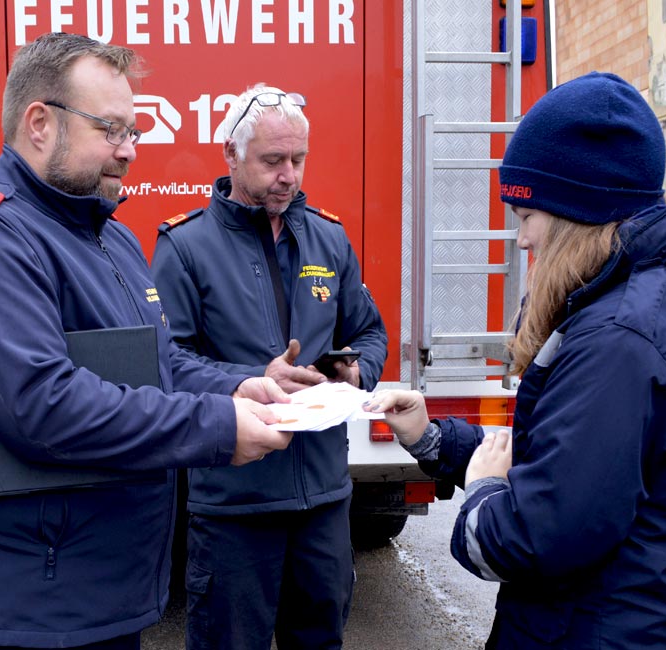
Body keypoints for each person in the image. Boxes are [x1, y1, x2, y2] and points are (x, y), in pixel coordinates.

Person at [0, 34, 294, 650]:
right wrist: (219, 426)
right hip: (28, 612)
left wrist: (239, 384)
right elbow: (44, 407)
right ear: (40, 123)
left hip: (105, 597)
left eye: (134, 132)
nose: (130, 151)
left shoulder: (109, 239)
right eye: (111, 130)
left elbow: (156, 360)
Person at [366, 72, 666, 649]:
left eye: (527, 217)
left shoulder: (617, 341)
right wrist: (435, 439)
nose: (522, 241)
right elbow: (579, 466)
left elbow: (534, 536)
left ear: (577, 214)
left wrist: (481, 497)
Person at [151, 83, 388, 649]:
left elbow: (369, 332)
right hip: (235, 505)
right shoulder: (185, 247)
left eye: (298, 160)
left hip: (324, 504)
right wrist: (244, 381)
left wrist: (358, 373)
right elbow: (165, 364)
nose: (289, 175)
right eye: (273, 160)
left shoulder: (328, 239)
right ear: (230, 154)